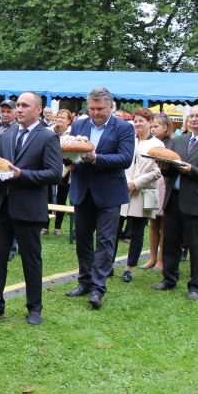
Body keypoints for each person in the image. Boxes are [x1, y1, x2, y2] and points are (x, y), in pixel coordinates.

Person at [0, 92, 62, 326]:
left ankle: (34, 308)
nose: (19, 109)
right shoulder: (8, 134)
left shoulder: (48, 137)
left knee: (31, 260)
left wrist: (23, 175)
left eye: (25, 105)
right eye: (18, 105)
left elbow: (54, 174)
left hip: (29, 208)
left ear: (39, 110)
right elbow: (1, 167)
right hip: (2, 206)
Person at [65, 87, 135, 310]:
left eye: (100, 109)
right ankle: (84, 281)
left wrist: (96, 158)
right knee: (83, 239)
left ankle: (98, 288)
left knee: (105, 241)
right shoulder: (79, 125)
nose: (95, 113)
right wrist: (67, 157)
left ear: (111, 107)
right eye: (92, 108)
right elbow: (72, 152)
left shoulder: (124, 128)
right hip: (82, 189)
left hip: (109, 192)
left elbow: (125, 159)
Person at [153, 105, 198, 300]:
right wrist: (164, 167)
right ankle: (169, 278)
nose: (193, 119)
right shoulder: (179, 140)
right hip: (174, 198)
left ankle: (195, 286)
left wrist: (193, 170)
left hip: (197, 201)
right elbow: (171, 169)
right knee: (170, 241)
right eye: (191, 116)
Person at [117, 108, 163, 283]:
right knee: (114, 228)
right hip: (123, 189)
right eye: (135, 121)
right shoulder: (129, 140)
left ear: (150, 122)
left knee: (136, 232)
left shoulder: (158, 145)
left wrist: (136, 183)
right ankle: (107, 265)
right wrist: (126, 181)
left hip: (144, 192)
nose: (137, 124)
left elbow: (158, 171)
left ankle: (129, 267)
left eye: (141, 121)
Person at [143, 113, 175, 270]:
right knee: (153, 223)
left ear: (165, 128)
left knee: (164, 224)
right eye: (151, 126)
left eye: (156, 126)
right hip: (152, 185)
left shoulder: (172, 144)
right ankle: (152, 257)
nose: (153, 129)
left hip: (165, 185)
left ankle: (162, 259)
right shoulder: (149, 143)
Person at [45, 109, 74, 235]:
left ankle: (58, 227)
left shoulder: (72, 133)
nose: (59, 120)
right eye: (58, 117)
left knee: (62, 197)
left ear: (69, 121)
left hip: (66, 168)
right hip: (49, 167)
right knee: (46, 197)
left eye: (63, 118)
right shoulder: (48, 131)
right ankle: (44, 226)